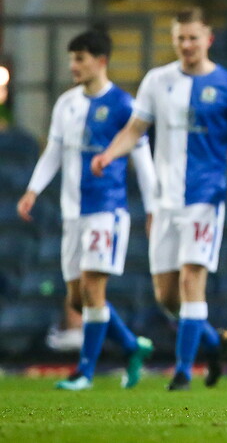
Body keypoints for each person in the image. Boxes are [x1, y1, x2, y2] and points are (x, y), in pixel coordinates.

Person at [92, 7, 227, 391]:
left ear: (209, 39)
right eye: (180, 38)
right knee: (167, 297)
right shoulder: (157, 80)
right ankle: (215, 344)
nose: (186, 45)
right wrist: (108, 154)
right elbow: (135, 129)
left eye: (193, 38)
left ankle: (184, 370)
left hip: (205, 197)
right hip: (165, 200)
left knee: (191, 280)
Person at [17, 29, 156, 390]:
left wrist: (153, 208)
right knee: (78, 299)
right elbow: (54, 152)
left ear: (101, 61)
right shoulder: (66, 104)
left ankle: (85, 372)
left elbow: (143, 160)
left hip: (105, 210)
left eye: (79, 59)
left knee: (94, 289)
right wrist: (33, 189)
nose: (72, 66)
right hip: (72, 212)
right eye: (71, 59)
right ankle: (130, 346)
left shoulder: (125, 106)